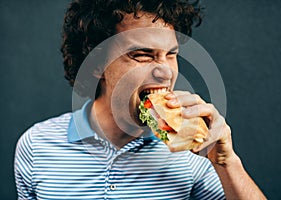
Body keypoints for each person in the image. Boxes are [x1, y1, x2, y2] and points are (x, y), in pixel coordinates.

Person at [14, 0, 266, 199]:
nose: (165, 71)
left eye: (171, 54)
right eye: (143, 55)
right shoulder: (36, 146)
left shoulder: (193, 153)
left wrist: (227, 163)